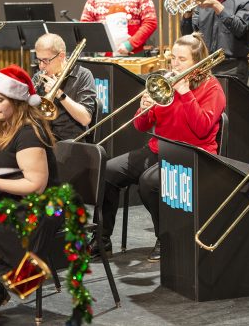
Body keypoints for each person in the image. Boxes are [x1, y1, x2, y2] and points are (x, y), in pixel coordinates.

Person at [92, 33, 226, 262]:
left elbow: (202, 128)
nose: (175, 63)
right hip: (160, 148)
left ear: (198, 62)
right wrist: (143, 108)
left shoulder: (212, 89)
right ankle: (102, 241)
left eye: (182, 59)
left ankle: (167, 238)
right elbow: (140, 125)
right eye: (173, 57)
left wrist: (185, 94)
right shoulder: (165, 82)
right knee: (107, 172)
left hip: (193, 154)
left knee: (149, 183)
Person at [0, 65, 61, 319]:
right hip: (10, 200)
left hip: (38, 206)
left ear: (18, 101)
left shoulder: (29, 133)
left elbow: (35, 185)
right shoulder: (1, 128)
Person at [181, 0, 249, 84]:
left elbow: (240, 29)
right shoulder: (203, 3)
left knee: (231, 104)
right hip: (204, 67)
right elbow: (190, 36)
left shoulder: (245, 2)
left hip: (232, 68)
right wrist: (187, 14)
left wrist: (216, 5)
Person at [31, 33, 97, 140]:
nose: (41, 66)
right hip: (43, 138)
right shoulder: (39, 76)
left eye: (46, 60)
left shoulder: (83, 75)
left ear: (61, 56)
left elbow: (85, 119)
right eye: (39, 60)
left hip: (70, 142)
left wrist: (59, 94)